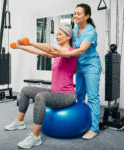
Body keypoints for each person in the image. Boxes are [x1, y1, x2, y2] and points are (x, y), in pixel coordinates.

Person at [5, 25, 77, 149]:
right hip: (54, 92)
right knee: (25, 90)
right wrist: (20, 46)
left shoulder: (70, 52)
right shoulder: (58, 54)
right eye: (57, 34)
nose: (57, 36)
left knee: (40, 97)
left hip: (67, 95)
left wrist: (31, 42)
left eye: (60, 34)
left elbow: (49, 47)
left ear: (68, 36)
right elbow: (39, 52)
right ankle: (19, 122)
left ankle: (35, 137)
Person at [44, 3, 102, 140]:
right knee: (79, 95)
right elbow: (70, 46)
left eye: (79, 13)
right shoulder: (75, 30)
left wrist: (62, 53)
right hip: (80, 66)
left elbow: (81, 50)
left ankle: (94, 128)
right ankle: (81, 122)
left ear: (87, 16)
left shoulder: (91, 31)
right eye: (74, 13)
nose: (75, 16)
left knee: (93, 97)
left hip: (91, 67)